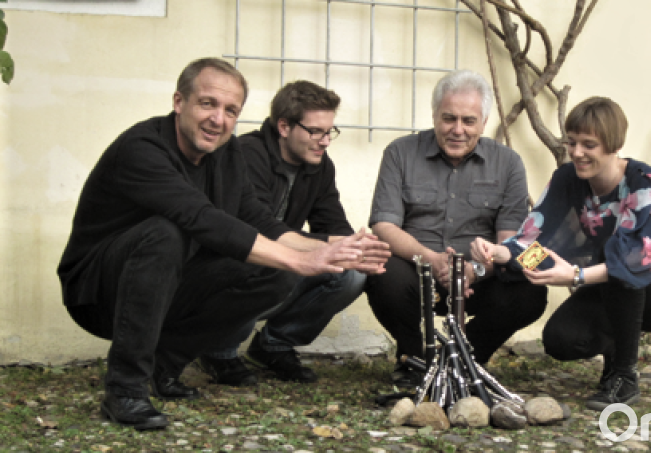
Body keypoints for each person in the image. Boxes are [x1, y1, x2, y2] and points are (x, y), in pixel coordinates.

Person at [57, 58, 389, 430]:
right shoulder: (142, 147)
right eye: (208, 103)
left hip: (172, 282)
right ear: (179, 102)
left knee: (275, 273)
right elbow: (201, 218)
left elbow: (256, 218)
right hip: (99, 292)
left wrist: (328, 250)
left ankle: (166, 363)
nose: (219, 119)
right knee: (166, 233)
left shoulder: (227, 153)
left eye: (231, 110)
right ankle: (125, 388)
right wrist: (302, 261)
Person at [470, 96, 651, 410]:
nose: (576, 153)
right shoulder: (567, 179)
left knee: (622, 268)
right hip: (604, 284)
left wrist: (576, 275)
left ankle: (624, 377)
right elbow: (534, 237)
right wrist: (499, 253)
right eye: (571, 143)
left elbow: (641, 259)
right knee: (561, 339)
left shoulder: (643, 182)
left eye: (589, 145)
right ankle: (616, 350)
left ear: (613, 144)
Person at [365, 69, 548, 388]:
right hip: (416, 274)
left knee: (529, 290)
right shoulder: (400, 153)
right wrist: (432, 260)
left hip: (480, 279)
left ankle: (466, 359)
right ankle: (412, 358)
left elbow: (511, 242)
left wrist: (475, 269)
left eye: (469, 121)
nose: (458, 130)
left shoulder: (509, 163)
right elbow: (383, 225)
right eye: (449, 118)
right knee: (379, 268)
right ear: (434, 115)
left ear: (484, 120)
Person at [198, 80, 374, 385]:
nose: (325, 141)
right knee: (268, 266)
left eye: (329, 131)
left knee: (351, 272)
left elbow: (332, 223)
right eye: (315, 131)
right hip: (237, 262)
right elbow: (255, 229)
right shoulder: (245, 154)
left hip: (285, 262)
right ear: (284, 126)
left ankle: (274, 345)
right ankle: (218, 350)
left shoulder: (319, 166)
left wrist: (354, 246)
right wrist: (332, 244)